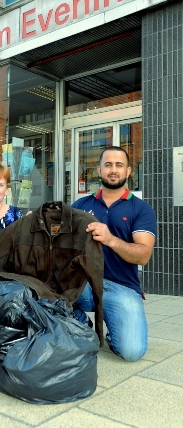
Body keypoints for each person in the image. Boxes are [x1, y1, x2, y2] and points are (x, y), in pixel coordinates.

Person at [72, 146, 157, 362]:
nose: (113, 170)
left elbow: (143, 255)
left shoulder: (141, 209)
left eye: (119, 165)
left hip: (121, 287)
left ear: (128, 171)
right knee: (49, 288)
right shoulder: (81, 205)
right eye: (108, 165)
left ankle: (112, 327)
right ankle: (81, 326)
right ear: (99, 170)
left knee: (131, 352)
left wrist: (110, 240)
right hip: (85, 283)